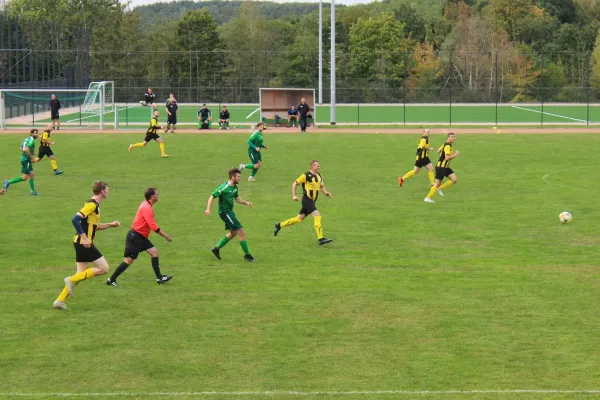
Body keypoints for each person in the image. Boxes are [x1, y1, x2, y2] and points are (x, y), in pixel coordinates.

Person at [53, 181, 121, 310]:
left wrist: (111, 225)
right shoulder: (92, 205)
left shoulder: (94, 206)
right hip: (84, 243)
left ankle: (60, 301)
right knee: (104, 269)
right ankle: (71, 280)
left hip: (79, 242)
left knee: (81, 273)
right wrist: (85, 238)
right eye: (107, 190)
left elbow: (95, 226)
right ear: (102, 191)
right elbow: (75, 219)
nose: (108, 192)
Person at [107, 187, 173, 287]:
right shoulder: (147, 208)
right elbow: (153, 226)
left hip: (141, 236)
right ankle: (111, 280)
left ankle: (159, 277)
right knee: (129, 260)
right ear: (152, 197)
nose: (158, 195)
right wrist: (166, 236)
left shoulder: (147, 205)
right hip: (135, 237)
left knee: (154, 252)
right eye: (156, 194)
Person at [273, 160, 333, 245]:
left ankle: (279, 225)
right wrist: (294, 195)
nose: (319, 167)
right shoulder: (305, 175)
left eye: (319, 166)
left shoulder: (319, 175)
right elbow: (295, 183)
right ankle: (321, 239)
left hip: (312, 201)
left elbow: (321, 186)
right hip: (307, 200)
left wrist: (326, 192)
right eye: (317, 166)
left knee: (299, 219)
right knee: (317, 216)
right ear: (312, 166)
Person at [205, 167, 255, 262]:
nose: (240, 178)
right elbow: (212, 196)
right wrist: (208, 209)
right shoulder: (224, 188)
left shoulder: (234, 187)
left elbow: (236, 199)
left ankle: (216, 249)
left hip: (229, 212)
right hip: (225, 212)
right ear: (233, 177)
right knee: (241, 233)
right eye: (238, 177)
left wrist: (246, 202)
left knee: (233, 233)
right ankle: (247, 255)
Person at [424, 132, 460, 203]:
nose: (453, 138)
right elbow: (447, 158)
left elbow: (439, 150)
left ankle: (439, 188)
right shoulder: (447, 146)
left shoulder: (446, 144)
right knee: (437, 184)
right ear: (448, 137)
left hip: (446, 167)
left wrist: (440, 152)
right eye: (452, 137)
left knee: (454, 179)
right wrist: (455, 154)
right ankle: (427, 198)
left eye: (454, 137)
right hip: (441, 167)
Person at [3, 129, 40, 196]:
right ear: (31, 134)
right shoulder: (31, 140)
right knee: (27, 176)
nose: (37, 134)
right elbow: (26, 149)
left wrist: (30, 152)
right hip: (27, 160)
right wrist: (31, 157)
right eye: (35, 133)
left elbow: (21, 148)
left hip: (25, 159)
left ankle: (32, 192)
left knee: (28, 176)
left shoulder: (27, 139)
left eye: (37, 133)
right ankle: (8, 182)